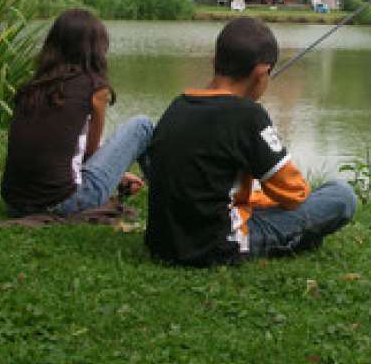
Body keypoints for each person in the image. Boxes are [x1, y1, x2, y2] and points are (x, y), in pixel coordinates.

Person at [144, 17, 357, 266]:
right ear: (262, 72)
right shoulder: (248, 115)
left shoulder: (178, 105)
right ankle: (294, 240)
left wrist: (254, 199)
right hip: (217, 246)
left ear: (215, 62)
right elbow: (293, 193)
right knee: (341, 196)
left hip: (162, 244)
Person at [1, 9, 153, 217]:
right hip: (62, 203)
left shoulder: (32, 87)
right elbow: (90, 154)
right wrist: (115, 171)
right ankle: (170, 196)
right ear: (96, 48)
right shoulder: (95, 88)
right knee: (142, 125)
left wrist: (118, 175)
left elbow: (62, 148)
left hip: (15, 203)